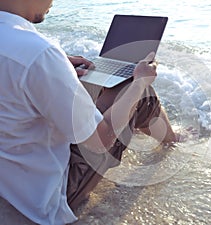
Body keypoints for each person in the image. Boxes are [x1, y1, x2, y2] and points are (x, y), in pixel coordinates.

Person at [0, 0, 180, 224]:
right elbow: (99, 141)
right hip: (41, 199)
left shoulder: (31, 53)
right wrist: (139, 83)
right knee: (136, 93)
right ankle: (174, 140)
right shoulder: (39, 53)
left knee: (97, 93)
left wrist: (60, 66)